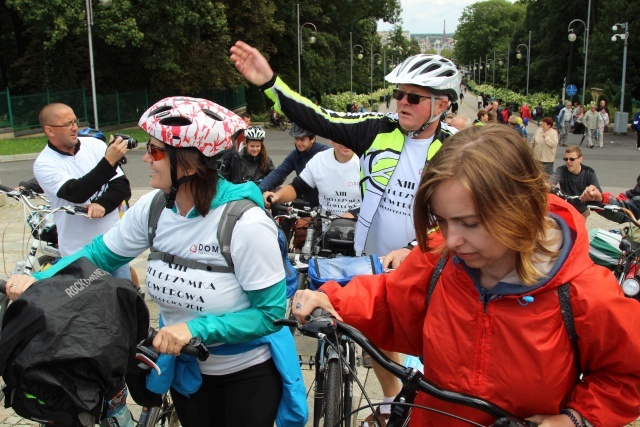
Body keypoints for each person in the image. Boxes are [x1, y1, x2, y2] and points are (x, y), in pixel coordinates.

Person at [291, 125, 640, 427]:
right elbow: (390, 300)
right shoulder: (440, 259)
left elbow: (628, 374)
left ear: (519, 207)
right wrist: (332, 300)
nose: (452, 239)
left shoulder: (583, 293)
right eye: (442, 220)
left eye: (470, 223)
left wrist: (577, 418)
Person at [7, 96, 300, 427]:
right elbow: (97, 256)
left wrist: (195, 328)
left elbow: (271, 314)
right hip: (187, 377)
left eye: (156, 150)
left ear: (190, 161)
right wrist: (44, 281)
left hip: (244, 376)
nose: (145, 157)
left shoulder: (246, 224)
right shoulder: (155, 208)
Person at [231, 41, 458, 425]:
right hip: (373, 262)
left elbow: (470, 215)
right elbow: (319, 117)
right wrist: (270, 82)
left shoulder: (459, 149)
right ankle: (392, 404)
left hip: (429, 262)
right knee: (378, 342)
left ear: (442, 105)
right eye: (398, 94)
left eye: (414, 97)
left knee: (439, 350)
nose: (401, 102)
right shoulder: (375, 129)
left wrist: (418, 249)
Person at [263, 140, 360, 216]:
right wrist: (276, 196)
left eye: (349, 136)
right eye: (340, 137)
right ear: (331, 138)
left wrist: (352, 214)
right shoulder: (319, 160)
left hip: (360, 231)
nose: (345, 142)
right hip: (326, 230)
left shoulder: (368, 161)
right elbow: (297, 187)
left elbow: (375, 201)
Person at [257, 123, 329, 207]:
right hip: (307, 203)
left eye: (302, 139)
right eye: (296, 139)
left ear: (312, 139)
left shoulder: (325, 153)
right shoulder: (296, 154)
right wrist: (258, 190)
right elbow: (279, 173)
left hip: (326, 204)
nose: (298, 143)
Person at [549, 146, 601, 219]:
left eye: (572, 159)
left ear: (580, 159)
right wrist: (548, 184)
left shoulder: (589, 172)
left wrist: (590, 194)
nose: (568, 161)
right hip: (566, 208)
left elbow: (598, 191)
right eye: (566, 159)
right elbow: (554, 178)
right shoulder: (562, 170)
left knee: (579, 229)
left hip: (582, 210)